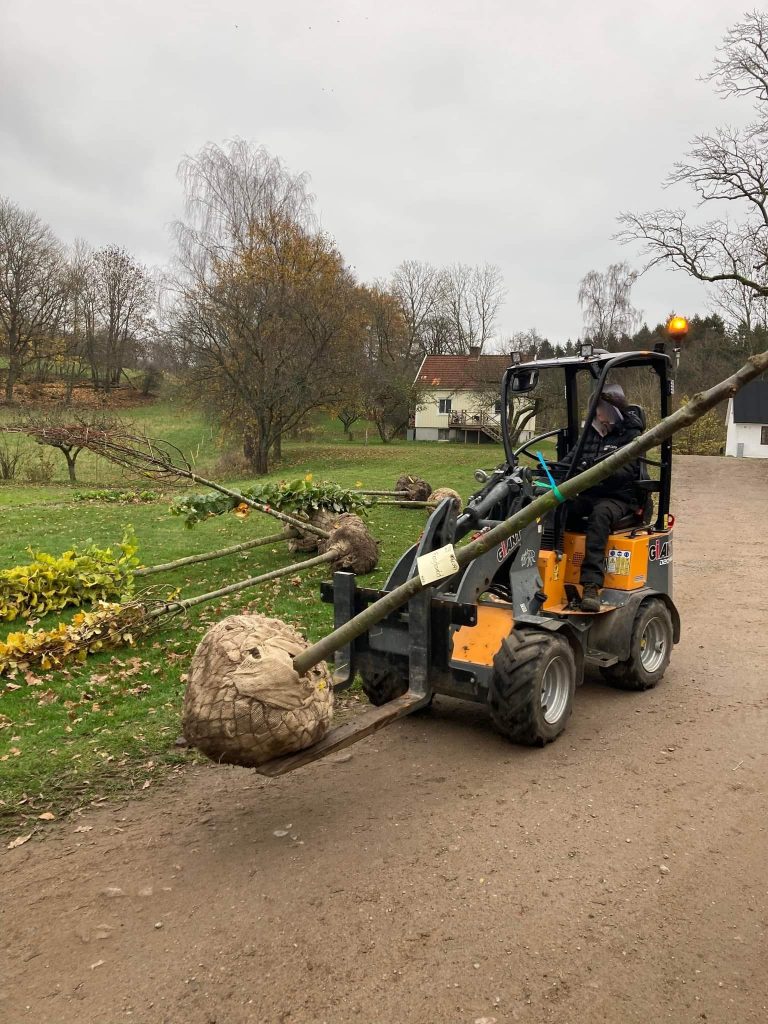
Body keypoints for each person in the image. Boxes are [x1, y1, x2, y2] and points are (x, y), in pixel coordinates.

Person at [560, 383, 644, 612]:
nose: (597, 414)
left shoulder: (631, 434)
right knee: (559, 508)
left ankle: (590, 586)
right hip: (589, 493)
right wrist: (550, 470)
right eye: (595, 410)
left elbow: (628, 471)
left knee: (600, 516)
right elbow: (570, 460)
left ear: (613, 410)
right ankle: (554, 573)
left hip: (619, 497)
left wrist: (598, 471)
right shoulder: (591, 433)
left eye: (601, 410)